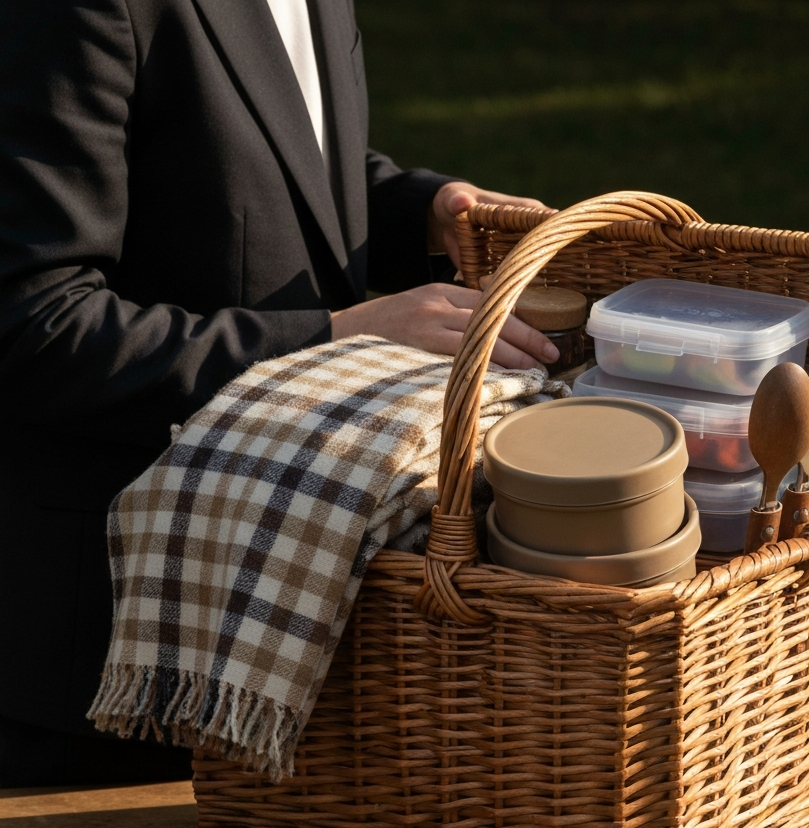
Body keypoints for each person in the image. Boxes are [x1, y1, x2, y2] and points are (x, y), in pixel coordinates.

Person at [0, 0, 555, 787]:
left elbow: (277, 155)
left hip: (276, 626)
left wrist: (422, 210)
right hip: (111, 661)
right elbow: (35, 325)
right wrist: (332, 336)